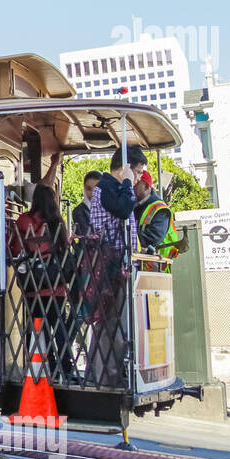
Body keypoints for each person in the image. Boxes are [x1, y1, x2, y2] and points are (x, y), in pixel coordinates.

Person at [80, 146, 141, 386]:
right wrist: (127, 183)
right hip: (111, 264)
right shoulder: (106, 187)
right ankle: (104, 374)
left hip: (118, 262)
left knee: (114, 322)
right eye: (136, 172)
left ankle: (105, 372)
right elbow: (123, 210)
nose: (137, 178)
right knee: (111, 322)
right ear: (125, 167)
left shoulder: (110, 188)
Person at [13, 184, 70, 376]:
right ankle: (66, 367)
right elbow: (65, 248)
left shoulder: (24, 221)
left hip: (34, 286)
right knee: (59, 327)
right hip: (57, 286)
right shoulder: (58, 223)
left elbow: (14, 249)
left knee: (39, 330)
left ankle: (46, 367)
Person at [133, 169, 181, 263]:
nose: (133, 186)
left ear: (146, 187)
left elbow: (152, 239)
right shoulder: (136, 205)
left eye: (136, 184)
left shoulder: (160, 209)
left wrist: (129, 237)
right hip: (144, 263)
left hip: (157, 266)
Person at [71, 171, 102, 238]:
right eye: (89, 189)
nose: (92, 193)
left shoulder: (110, 208)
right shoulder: (79, 212)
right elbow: (87, 238)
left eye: (96, 188)